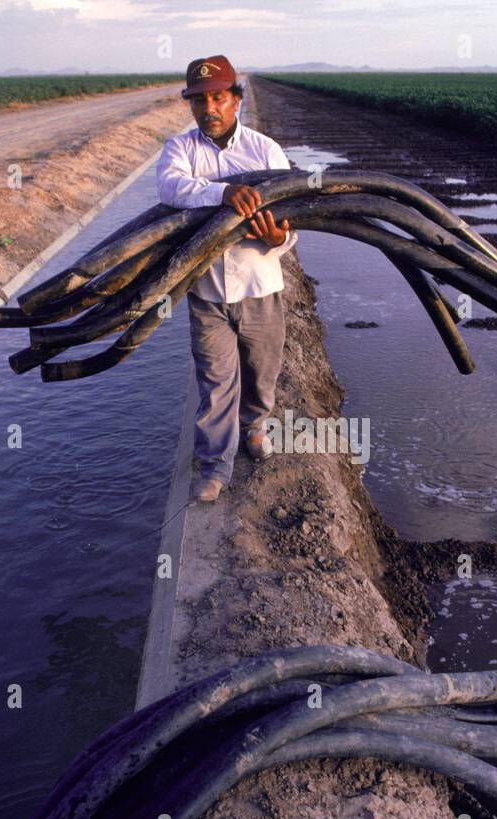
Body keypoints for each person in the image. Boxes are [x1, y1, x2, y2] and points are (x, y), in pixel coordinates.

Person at [155, 54, 298, 503]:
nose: (209, 109)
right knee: (216, 384)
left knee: (261, 374)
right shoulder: (181, 150)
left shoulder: (264, 150)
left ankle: (255, 428)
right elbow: (171, 189)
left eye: (218, 98)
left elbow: (293, 217)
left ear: (236, 100)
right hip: (207, 293)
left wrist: (280, 237)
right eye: (199, 101)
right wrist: (224, 193)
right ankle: (215, 467)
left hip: (261, 288)